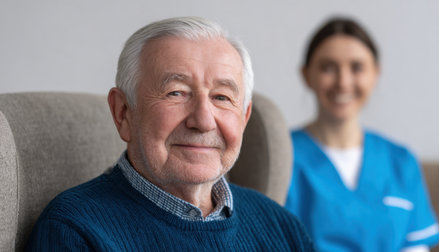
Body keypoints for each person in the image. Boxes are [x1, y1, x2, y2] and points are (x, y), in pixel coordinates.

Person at [25, 17, 314, 251]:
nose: (203, 121)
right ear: (123, 112)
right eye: (176, 93)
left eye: (222, 97)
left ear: (244, 118)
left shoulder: (281, 226)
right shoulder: (75, 231)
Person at [285, 17, 439, 252]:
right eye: (328, 68)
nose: (343, 82)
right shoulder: (282, 159)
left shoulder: (401, 162)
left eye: (357, 67)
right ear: (307, 75)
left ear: (375, 74)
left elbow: (415, 247)